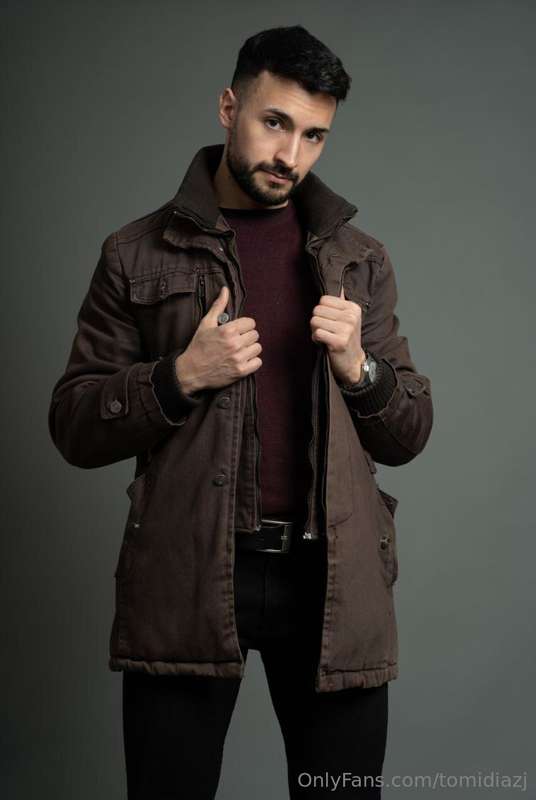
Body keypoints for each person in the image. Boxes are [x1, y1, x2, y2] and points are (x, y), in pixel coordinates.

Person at [48, 24, 433, 799]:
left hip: (331, 583)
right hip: (189, 576)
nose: (290, 154)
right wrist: (178, 377)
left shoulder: (358, 260)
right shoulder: (135, 253)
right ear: (229, 108)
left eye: (314, 135)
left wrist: (360, 369)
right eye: (275, 122)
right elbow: (75, 424)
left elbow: (408, 435)